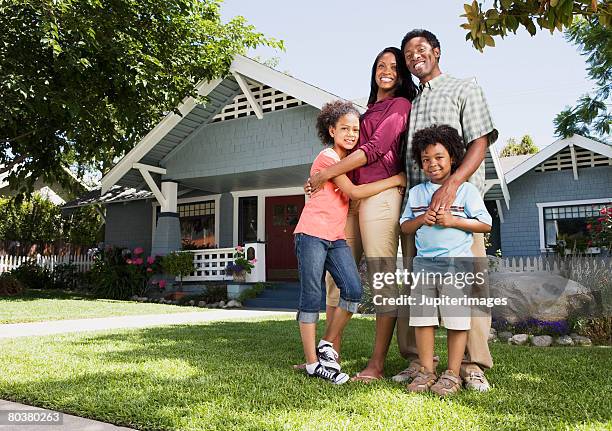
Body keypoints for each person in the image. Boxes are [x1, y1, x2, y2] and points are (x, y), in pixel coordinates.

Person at [393, 29, 498, 391]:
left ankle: (471, 364)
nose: (414, 57)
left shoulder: (463, 87)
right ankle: (420, 363)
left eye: (420, 49)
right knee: (417, 290)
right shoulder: (412, 100)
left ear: (437, 51)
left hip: (457, 214)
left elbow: (480, 141)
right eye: (408, 54)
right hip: (419, 212)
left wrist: (450, 188)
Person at [306, 47, 417, 382]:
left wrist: (325, 173)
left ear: (401, 74)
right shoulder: (367, 112)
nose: (386, 71)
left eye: (394, 67)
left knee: (382, 276)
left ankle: (377, 364)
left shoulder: (400, 106)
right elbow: (350, 148)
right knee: (335, 280)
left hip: (382, 195)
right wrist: (330, 175)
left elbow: (374, 151)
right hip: (352, 198)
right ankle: (328, 357)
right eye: (380, 65)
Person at [294, 100, 407, 384]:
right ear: (331, 130)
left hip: (334, 237)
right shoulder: (329, 159)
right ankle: (312, 364)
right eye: (344, 128)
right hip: (311, 234)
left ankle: (327, 343)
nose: (351, 134)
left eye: (355, 130)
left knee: (354, 290)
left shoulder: (344, 161)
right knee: (311, 297)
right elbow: (355, 193)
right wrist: (395, 179)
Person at [400, 125, 492, 396]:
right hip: (424, 267)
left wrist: (453, 221)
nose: (432, 164)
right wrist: (421, 219)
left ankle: (452, 373)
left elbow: (485, 224)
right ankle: (427, 371)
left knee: (456, 320)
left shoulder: (465, 191)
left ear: (453, 157)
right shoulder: (417, 193)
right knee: (423, 320)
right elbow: (405, 226)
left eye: (439, 157)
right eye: (426, 159)